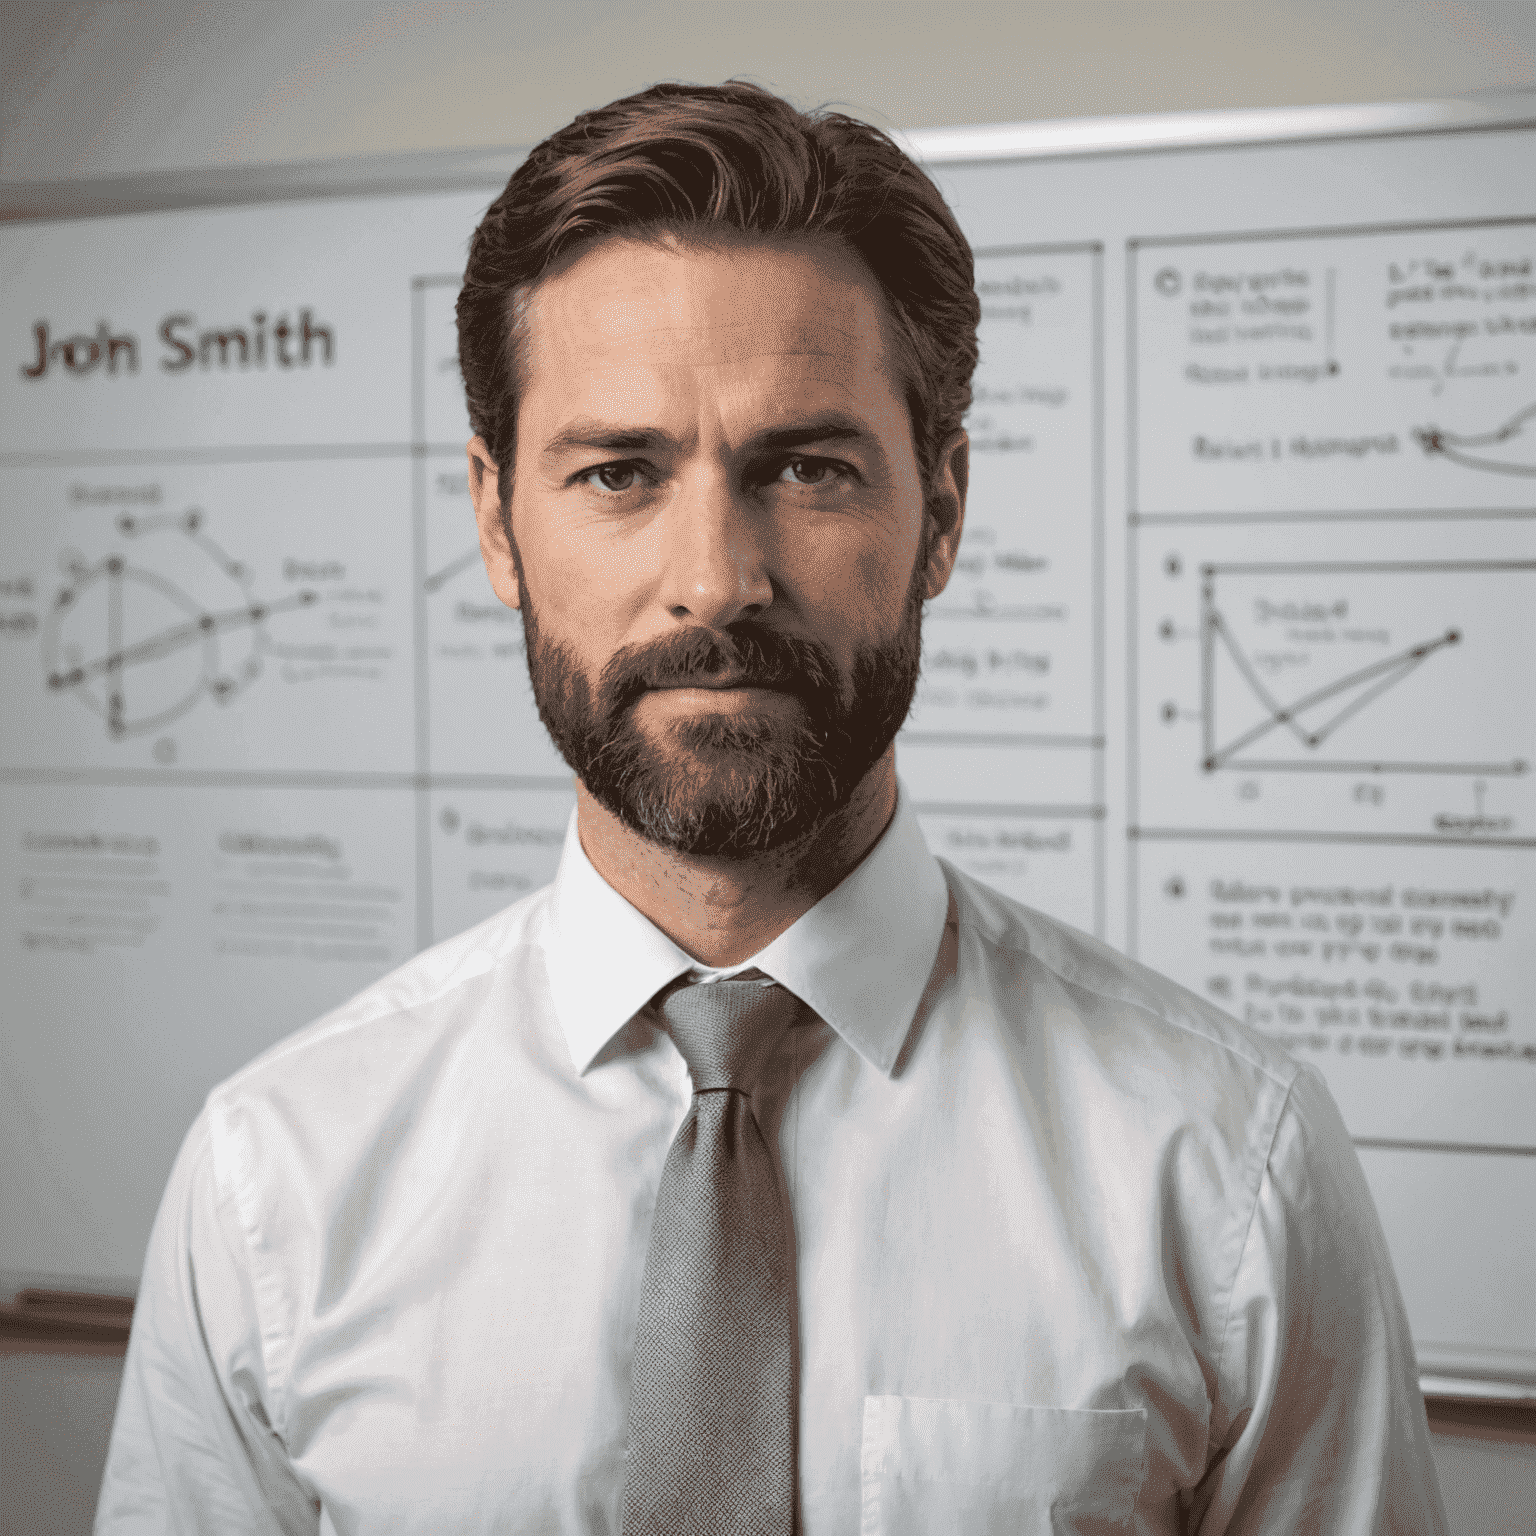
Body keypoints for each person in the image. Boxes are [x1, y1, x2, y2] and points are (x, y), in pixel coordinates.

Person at [96, 80, 1447, 1534]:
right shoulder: (277, 1180)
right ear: (497, 521)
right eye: (619, 472)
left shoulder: (1227, 1165)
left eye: (806, 468)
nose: (718, 577)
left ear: (941, 507)